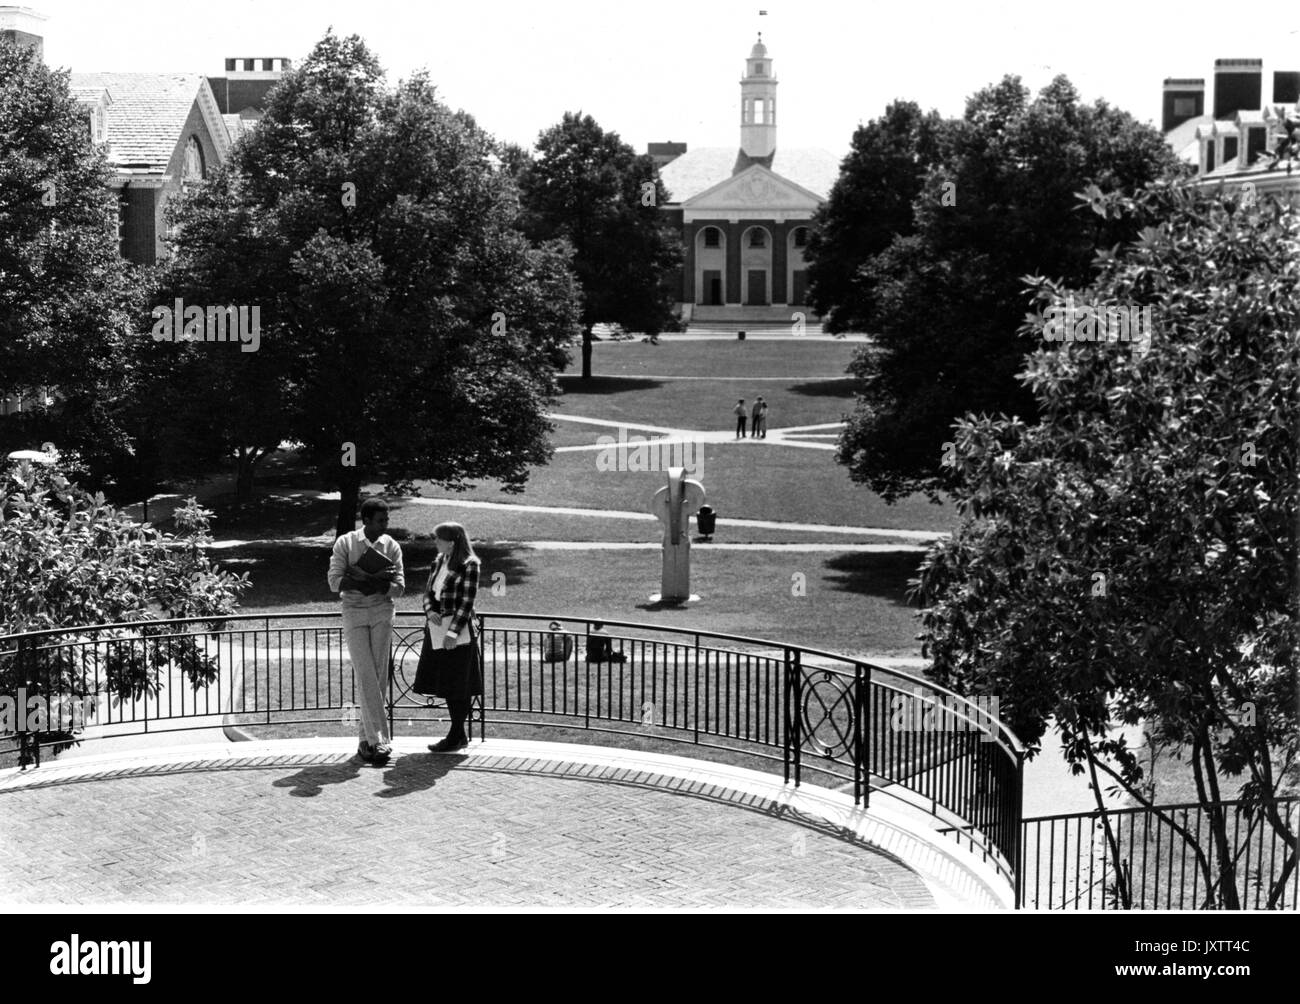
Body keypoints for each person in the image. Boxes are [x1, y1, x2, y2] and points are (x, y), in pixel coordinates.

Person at [327, 497, 405, 765]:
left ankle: (366, 741)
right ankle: (380, 741)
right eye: (381, 520)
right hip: (354, 612)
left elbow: (400, 587)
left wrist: (380, 584)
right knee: (366, 672)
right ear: (367, 521)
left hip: (382, 611)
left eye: (387, 520)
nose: (386, 525)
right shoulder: (345, 543)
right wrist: (361, 580)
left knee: (378, 675)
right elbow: (334, 582)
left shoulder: (392, 546)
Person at [423, 522, 483, 752]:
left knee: (459, 683)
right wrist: (430, 611)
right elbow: (427, 592)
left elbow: (467, 602)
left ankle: (455, 735)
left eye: (439, 539)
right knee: (448, 683)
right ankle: (459, 735)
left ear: (452, 542)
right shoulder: (439, 561)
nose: (435, 543)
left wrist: (452, 633)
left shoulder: (470, 565)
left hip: (457, 632)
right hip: (438, 630)